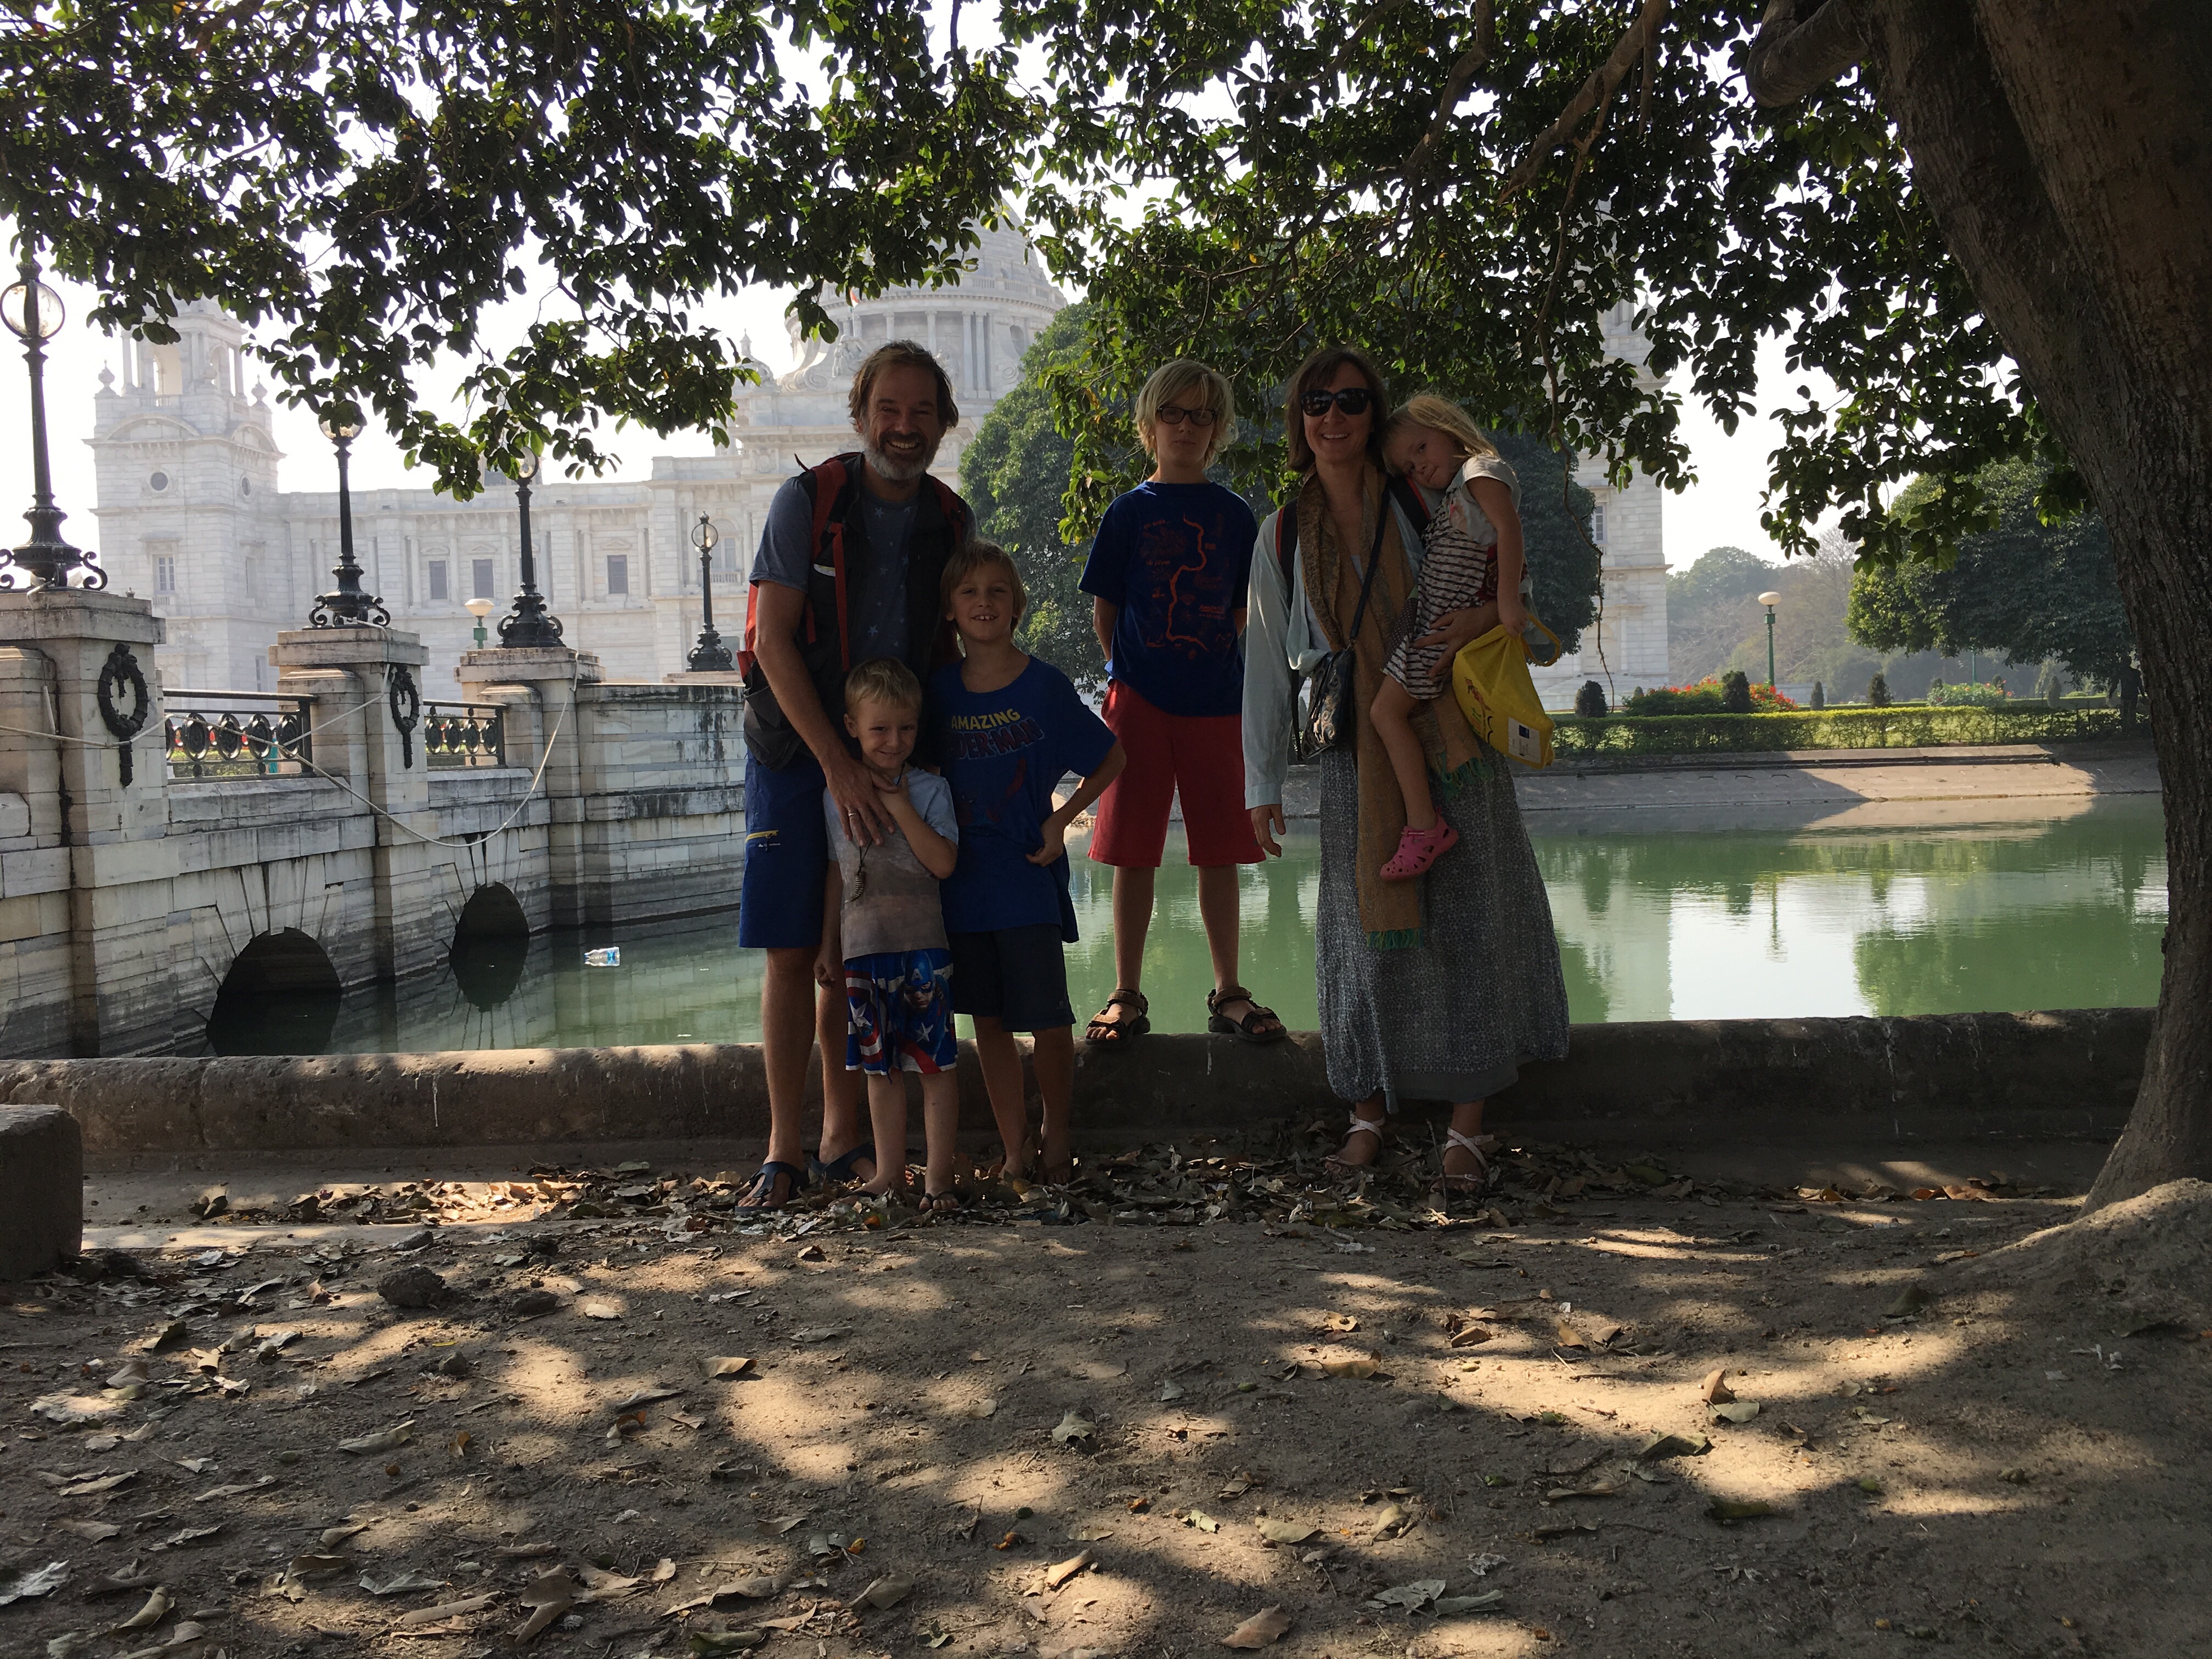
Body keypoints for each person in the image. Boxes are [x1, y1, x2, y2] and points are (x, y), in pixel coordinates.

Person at [1242, 348, 1570, 1195]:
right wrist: (1261, 785)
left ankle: (1468, 1125)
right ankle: (1368, 1110)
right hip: (1360, 744)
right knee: (1363, 933)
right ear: (1300, 417)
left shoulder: (1427, 496)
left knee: (1471, 919)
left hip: (1451, 730)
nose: (1334, 416)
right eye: (1318, 401)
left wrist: (1481, 619)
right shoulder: (1282, 532)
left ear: (1377, 414)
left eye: (1353, 401)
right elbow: (1264, 662)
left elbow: (1504, 570)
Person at [734, 341, 972, 1211]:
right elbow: (771, 641)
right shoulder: (807, 501)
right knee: (793, 949)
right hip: (799, 750)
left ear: (943, 423)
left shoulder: (950, 519)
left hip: (891, 753)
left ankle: (840, 1135)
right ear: (861, 413)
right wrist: (837, 765)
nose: (905, 428)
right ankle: (782, 1147)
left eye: (922, 413)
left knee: (860, 945)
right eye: (889, 410)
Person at [1077, 358, 1284, 1046]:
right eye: (1173, 413)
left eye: (1202, 416)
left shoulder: (1234, 515)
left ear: (1218, 430)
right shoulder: (1128, 512)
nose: (1186, 427)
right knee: (1133, 853)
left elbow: (1243, 611)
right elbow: (1107, 612)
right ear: (1149, 425)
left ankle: (1229, 991)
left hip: (1216, 702)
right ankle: (1126, 992)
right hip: (1139, 702)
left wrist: (1211, 662)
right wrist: (1128, 675)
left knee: (1219, 850)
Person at [931, 541, 1126, 1186]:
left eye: (997, 590)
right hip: (961, 884)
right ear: (950, 610)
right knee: (986, 1020)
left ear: (1016, 605)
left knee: (1047, 1018)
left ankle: (1057, 1132)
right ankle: (1014, 1146)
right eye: (969, 592)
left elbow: (1111, 757)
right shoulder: (938, 693)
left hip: (1026, 875)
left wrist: (1062, 819)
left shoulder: (1044, 686)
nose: (983, 602)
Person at [811, 658, 964, 1214]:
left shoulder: (931, 790)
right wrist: (828, 944)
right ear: (852, 727)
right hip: (863, 949)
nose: (893, 741)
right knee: (880, 1069)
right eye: (879, 729)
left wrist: (899, 804)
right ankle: (890, 1173)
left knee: (935, 1066)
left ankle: (939, 1179)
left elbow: (943, 863)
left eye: (906, 728)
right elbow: (837, 869)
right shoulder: (834, 794)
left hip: (923, 949)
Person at [1370, 396, 1530, 880]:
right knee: (1386, 711)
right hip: (1431, 619)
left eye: (1422, 448)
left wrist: (1507, 604)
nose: (1420, 467)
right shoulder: (1459, 488)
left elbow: (1509, 530)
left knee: (1385, 713)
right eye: (1409, 466)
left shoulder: (1481, 472)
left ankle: (1424, 827)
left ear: (1447, 428)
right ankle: (1423, 825)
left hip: (1443, 626)